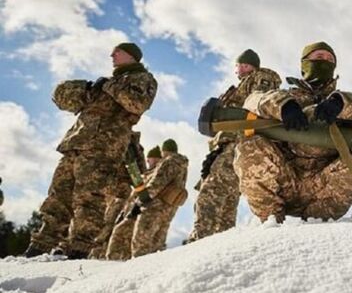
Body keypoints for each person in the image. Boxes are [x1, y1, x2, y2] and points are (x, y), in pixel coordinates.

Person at [25, 43, 157, 259]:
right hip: (76, 143)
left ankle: (79, 249)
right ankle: (41, 244)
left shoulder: (143, 79)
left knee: (89, 198)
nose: (112, 55)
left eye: (118, 52)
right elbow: (69, 102)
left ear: (131, 56)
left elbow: (136, 104)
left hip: (103, 148)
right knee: (58, 194)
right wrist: (80, 90)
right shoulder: (106, 83)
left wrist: (109, 86)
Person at [234, 41, 352, 223]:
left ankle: (316, 224)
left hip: (322, 187)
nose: (325, 62)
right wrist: (284, 105)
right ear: (305, 64)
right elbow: (253, 101)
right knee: (249, 147)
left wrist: (341, 103)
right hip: (285, 179)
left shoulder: (339, 101)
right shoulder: (285, 95)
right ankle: (271, 222)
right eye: (319, 57)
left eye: (330, 60)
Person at [187, 49, 281, 243]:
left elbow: (261, 103)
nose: (243, 69)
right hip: (228, 144)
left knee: (211, 192)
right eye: (240, 65)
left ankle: (199, 240)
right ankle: (220, 242)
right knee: (228, 198)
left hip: (241, 143)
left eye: (247, 65)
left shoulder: (261, 77)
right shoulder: (238, 88)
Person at [106, 139, 188, 259]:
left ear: (164, 151)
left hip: (153, 207)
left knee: (140, 243)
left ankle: (136, 267)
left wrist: (139, 203)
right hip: (168, 209)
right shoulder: (182, 166)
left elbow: (156, 184)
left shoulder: (169, 162)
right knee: (156, 244)